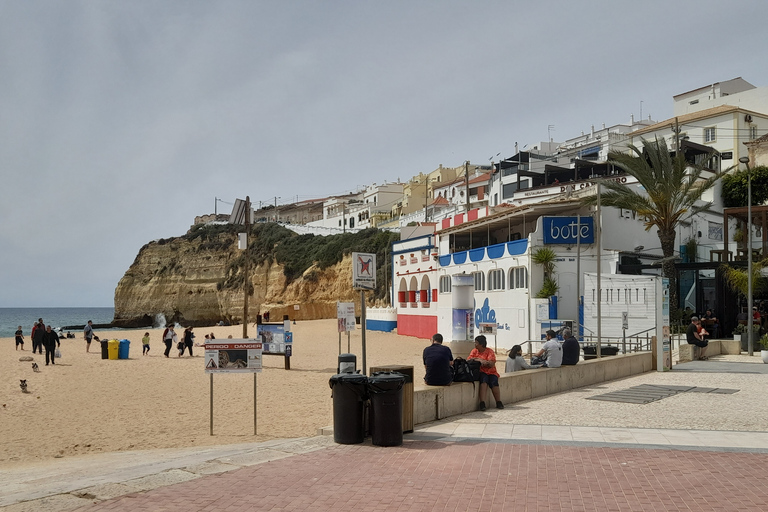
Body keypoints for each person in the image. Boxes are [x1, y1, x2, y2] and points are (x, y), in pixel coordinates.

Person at [467, 335, 503, 410]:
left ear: (481, 344)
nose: (475, 344)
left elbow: (491, 363)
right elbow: (469, 360)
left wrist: (483, 362)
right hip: (481, 371)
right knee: (484, 382)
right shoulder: (474, 351)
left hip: (491, 372)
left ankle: (498, 402)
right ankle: (482, 403)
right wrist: (480, 360)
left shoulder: (489, 351)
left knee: (494, 383)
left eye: (476, 343)